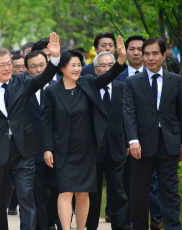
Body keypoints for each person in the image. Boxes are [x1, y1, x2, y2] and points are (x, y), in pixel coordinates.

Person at [0, 32, 61, 230]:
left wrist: (54, 59)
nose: (7, 68)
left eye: (9, 63)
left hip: (23, 150)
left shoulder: (23, 82)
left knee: (26, 197)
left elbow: (44, 76)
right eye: (1, 65)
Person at [43, 36, 126, 230]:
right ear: (62, 67)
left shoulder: (88, 82)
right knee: (65, 193)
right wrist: (48, 149)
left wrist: (121, 58)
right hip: (62, 151)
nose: (77, 69)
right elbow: (47, 122)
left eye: (79, 65)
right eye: (72, 65)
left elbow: (108, 76)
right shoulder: (52, 91)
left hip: (87, 150)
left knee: (82, 194)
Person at [123, 37, 182, 230]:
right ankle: (140, 226)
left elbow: (180, 113)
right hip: (140, 144)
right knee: (139, 191)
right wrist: (132, 140)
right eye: (146, 53)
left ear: (164, 55)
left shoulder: (176, 80)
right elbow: (129, 113)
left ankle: (173, 226)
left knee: (170, 191)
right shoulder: (132, 82)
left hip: (169, 142)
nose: (149, 58)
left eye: (155, 53)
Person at [86, 52, 128, 230]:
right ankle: (91, 226)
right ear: (95, 70)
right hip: (93, 149)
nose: (107, 69)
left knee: (117, 192)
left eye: (111, 65)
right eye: (102, 65)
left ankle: (119, 225)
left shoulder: (122, 88)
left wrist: (128, 142)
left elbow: (128, 117)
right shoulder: (89, 88)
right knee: (93, 194)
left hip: (117, 147)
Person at [25, 50, 59, 230]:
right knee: (36, 194)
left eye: (42, 65)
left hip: (57, 150)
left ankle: (50, 221)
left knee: (57, 190)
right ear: (26, 70)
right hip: (32, 151)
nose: (38, 69)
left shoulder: (60, 87)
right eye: (33, 67)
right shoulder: (23, 90)